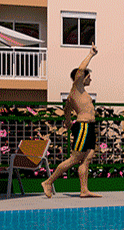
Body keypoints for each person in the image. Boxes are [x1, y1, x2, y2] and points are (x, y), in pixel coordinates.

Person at [44, 47, 102, 198]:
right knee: (75, 158)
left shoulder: (77, 95)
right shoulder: (77, 88)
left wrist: (68, 122)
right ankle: (48, 182)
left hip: (89, 127)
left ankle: (84, 190)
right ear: (82, 78)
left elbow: (66, 109)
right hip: (83, 126)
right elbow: (81, 69)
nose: (91, 79)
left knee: (88, 157)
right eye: (88, 76)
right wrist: (91, 54)